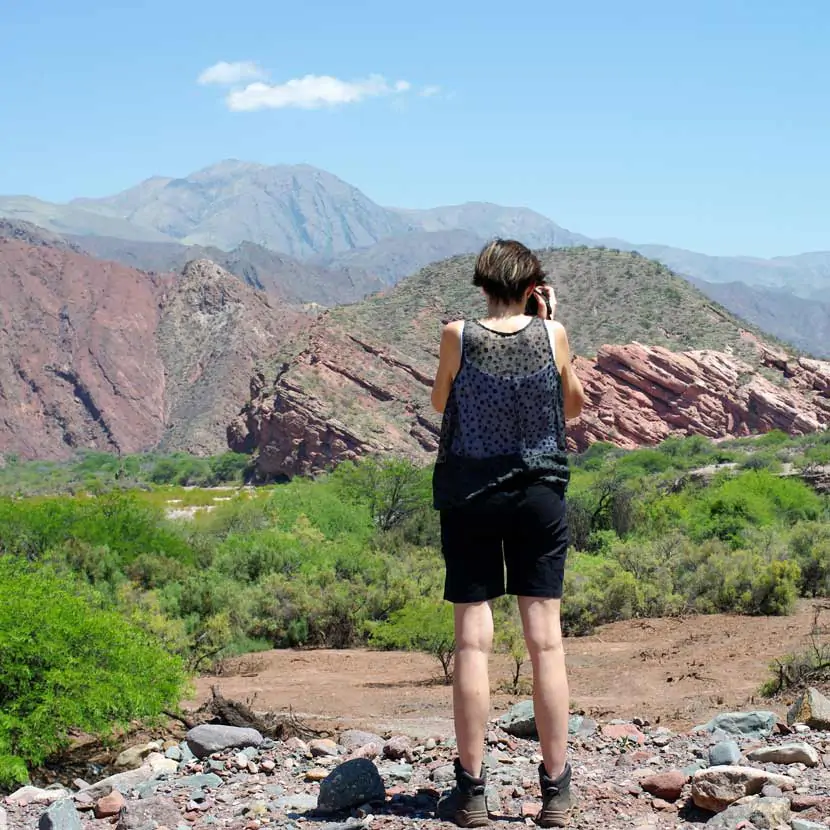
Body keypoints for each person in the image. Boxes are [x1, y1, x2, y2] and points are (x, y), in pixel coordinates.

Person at [430, 239, 586, 828]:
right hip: (539, 495)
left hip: (472, 493)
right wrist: (551, 328)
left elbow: (441, 400)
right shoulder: (555, 334)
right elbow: (572, 408)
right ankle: (556, 792)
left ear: (482, 284)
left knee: (473, 641)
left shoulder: (457, 335)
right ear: (532, 286)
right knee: (545, 641)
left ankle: (471, 794)